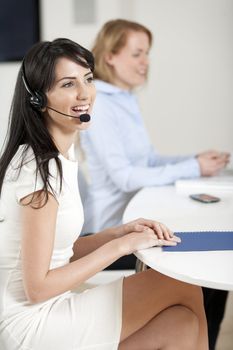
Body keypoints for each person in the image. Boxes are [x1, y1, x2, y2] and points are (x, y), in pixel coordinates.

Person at [0, 38, 208, 350]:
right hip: (31, 324)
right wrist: (122, 246)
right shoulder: (38, 171)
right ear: (38, 99)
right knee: (181, 285)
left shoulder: (58, 157)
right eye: (69, 84)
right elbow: (37, 288)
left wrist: (116, 234)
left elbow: (58, 252)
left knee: (181, 326)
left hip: (47, 309)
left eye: (88, 79)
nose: (85, 94)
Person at [79, 19, 229, 349]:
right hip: (109, 230)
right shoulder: (100, 105)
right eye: (137, 53)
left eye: (147, 53)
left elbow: (147, 161)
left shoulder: (124, 99)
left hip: (137, 219)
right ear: (110, 56)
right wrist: (191, 166)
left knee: (211, 274)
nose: (145, 62)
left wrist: (196, 160)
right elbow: (125, 176)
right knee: (203, 273)